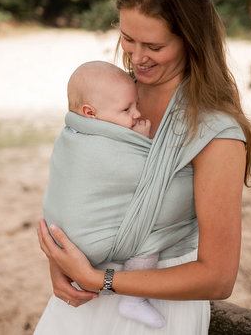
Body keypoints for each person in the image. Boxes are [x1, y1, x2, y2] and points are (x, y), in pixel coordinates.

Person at [35, 0, 251, 334]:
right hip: (79, 307)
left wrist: (100, 279)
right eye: (127, 38)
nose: (137, 58)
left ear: (190, 38)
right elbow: (79, 189)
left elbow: (219, 277)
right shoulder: (110, 98)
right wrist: (62, 260)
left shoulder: (215, 132)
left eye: (154, 46)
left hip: (159, 314)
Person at [42, 60, 166, 328]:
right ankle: (134, 300)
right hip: (88, 245)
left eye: (136, 105)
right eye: (126, 109)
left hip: (62, 239)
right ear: (90, 113)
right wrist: (142, 143)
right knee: (151, 234)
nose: (136, 114)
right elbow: (149, 179)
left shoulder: (73, 134)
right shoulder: (105, 144)